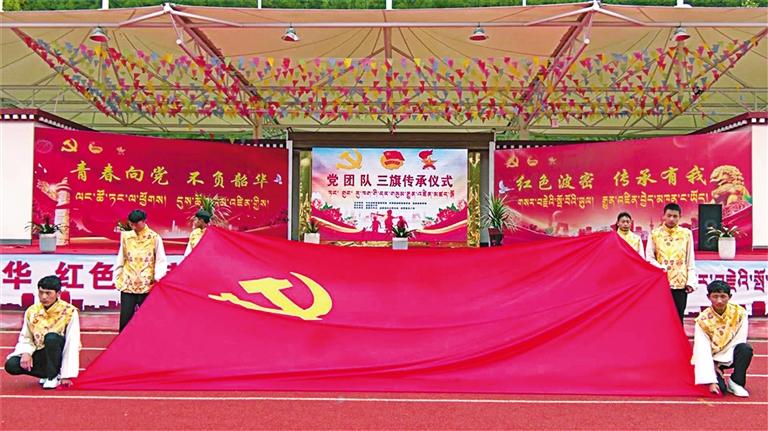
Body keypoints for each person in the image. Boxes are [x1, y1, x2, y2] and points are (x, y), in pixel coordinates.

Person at [4, 275, 80, 389]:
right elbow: (26, 336)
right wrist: (26, 352)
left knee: (51, 338)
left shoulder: (69, 312)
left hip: (58, 353)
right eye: (41, 292)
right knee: (11, 365)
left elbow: (72, 342)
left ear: (58, 293)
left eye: (48, 293)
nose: (44, 297)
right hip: (40, 352)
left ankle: (53, 376)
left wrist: (67, 375)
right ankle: (46, 373)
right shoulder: (32, 311)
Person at [692, 280, 752, 397]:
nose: (719, 301)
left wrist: (721, 362)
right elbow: (702, 349)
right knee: (720, 391)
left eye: (723, 296)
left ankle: (736, 382)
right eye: (715, 296)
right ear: (708, 297)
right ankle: (716, 377)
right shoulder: (702, 320)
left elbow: (739, 340)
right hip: (712, 358)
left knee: (745, 349)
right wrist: (711, 378)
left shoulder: (739, 313)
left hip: (730, 353)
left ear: (730, 296)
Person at [115, 209, 167, 332]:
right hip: (128, 284)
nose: (133, 227)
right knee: (125, 320)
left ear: (144, 221)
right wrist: (117, 276)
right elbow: (121, 257)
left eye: (136, 224)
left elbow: (161, 260)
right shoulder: (126, 237)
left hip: (147, 285)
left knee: (148, 320)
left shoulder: (154, 238)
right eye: (131, 224)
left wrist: (158, 277)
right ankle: (124, 343)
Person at [646, 203, 696, 324]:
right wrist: (660, 267)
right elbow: (649, 258)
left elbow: (690, 259)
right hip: (660, 282)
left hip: (680, 283)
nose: (671, 219)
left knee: (678, 318)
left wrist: (690, 281)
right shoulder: (655, 234)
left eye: (675, 216)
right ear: (663, 216)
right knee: (660, 317)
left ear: (680, 217)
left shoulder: (686, 234)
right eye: (669, 215)